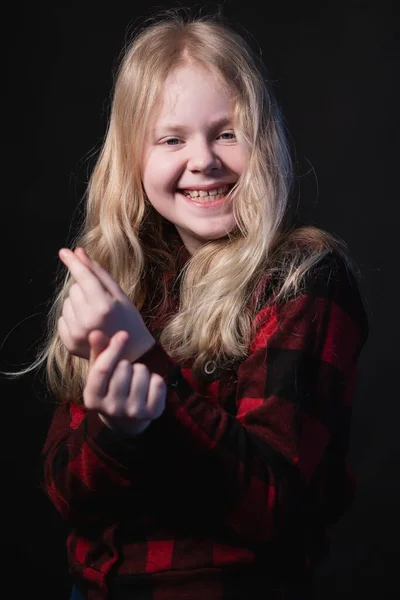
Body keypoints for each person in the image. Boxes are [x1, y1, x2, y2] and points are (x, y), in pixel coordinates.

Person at [29, 9, 368, 600]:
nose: (204, 160)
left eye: (228, 132)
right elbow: (66, 494)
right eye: (171, 139)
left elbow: (268, 502)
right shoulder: (124, 278)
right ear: (134, 159)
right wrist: (116, 426)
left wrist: (146, 372)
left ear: (263, 140)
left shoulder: (303, 280)